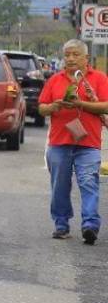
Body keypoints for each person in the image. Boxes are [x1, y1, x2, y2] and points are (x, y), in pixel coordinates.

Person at [38, 39, 108, 243]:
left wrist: (81, 104)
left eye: (75, 54)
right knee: (59, 185)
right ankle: (61, 224)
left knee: (88, 182)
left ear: (86, 58)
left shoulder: (99, 78)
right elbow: (42, 107)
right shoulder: (55, 80)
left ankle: (90, 225)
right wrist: (54, 107)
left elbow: (105, 106)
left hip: (88, 143)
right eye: (67, 54)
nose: (70, 58)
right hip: (59, 143)